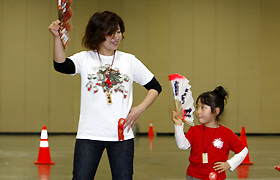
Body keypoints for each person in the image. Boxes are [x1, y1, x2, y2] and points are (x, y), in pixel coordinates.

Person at [49, 11, 161, 180]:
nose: (116, 37)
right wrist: (57, 38)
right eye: (110, 33)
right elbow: (61, 65)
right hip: (89, 135)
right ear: (97, 34)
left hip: (122, 136)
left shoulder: (129, 61)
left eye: (118, 32)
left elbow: (155, 87)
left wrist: (140, 108)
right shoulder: (85, 59)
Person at [172, 86, 248, 180]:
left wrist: (230, 164)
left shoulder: (226, 133)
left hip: (216, 177)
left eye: (203, 107)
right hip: (193, 176)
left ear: (216, 111)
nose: (198, 111)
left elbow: (243, 150)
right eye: (197, 107)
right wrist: (178, 125)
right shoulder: (194, 130)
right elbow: (182, 145)